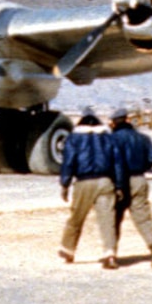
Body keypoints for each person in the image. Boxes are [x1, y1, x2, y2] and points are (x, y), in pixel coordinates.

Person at [57, 112, 119, 267]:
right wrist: (119, 185)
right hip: (105, 181)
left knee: (76, 217)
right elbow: (117, 162)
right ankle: (110, 254)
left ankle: (68, 250)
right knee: (107, 220)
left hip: (83, 182)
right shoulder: (108, 138)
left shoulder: (73, 139)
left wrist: (65, 184)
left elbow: (68, 162)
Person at [105, 106, 152, 268]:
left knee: (113, 219)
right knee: (143, 218)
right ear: (127, 120)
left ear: (114, 123)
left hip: (119, 182)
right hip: (139, 179)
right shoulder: (143, 138)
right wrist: (141, 168)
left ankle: (111, 256)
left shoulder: (112, 140)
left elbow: (110, 162)